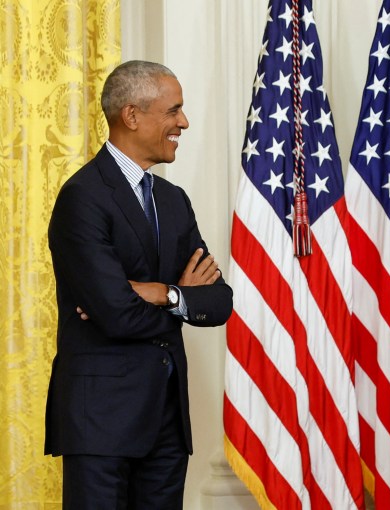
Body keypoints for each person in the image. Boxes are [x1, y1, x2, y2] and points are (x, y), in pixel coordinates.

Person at [45, 60, 233, 509]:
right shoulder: (83, 197)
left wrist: (162, 292)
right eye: (174, 111)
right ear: (132, 116)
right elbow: (116, 314)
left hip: (167, 422)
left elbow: (219, 301)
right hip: (101, 423)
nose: (183, 122)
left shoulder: (173, 200)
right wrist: (177, 299)